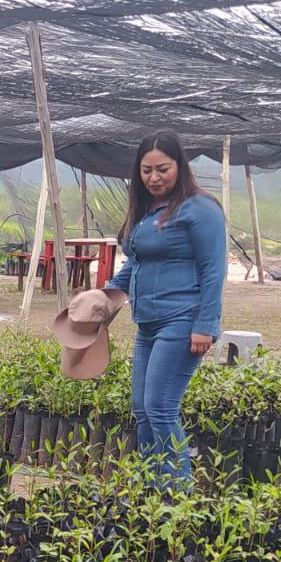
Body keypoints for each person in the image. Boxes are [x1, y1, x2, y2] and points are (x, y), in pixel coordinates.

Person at [77, 130, 226, 485]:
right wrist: (106, 294)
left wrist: (205, 325)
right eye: (146, 170)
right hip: (148, 324)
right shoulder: (148, 212)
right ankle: (151, 488)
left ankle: (177, 494)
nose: (154, 178)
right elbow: (137, 263)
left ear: (180, 166)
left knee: (161, 409)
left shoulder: (199, 209)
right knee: (143, 411)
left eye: (163, 169)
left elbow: (214, 269)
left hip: (182, 320)